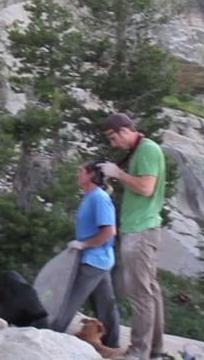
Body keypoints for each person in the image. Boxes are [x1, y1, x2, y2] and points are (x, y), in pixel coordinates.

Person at [97, 113, 167, 360]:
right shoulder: (141, 151)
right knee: (150, 291)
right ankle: (155, 350)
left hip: (141, 231)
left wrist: (117, 173)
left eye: (114, 138)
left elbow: (147, 188)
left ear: (125, 130)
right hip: (142, 228)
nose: (113, 144)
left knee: (139, 294)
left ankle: (138, 351)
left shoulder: (147, 150)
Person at [50, 161, 120, 350]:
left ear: (90, 175)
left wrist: (83, 244)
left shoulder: (99, 197)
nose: (77, 174)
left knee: (69, 299)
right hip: (99, 260)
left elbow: (108, 231)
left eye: (80, 171)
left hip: (94, 260)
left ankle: (50, 337)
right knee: (106, 305)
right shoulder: (89, 197)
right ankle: (112, 346)